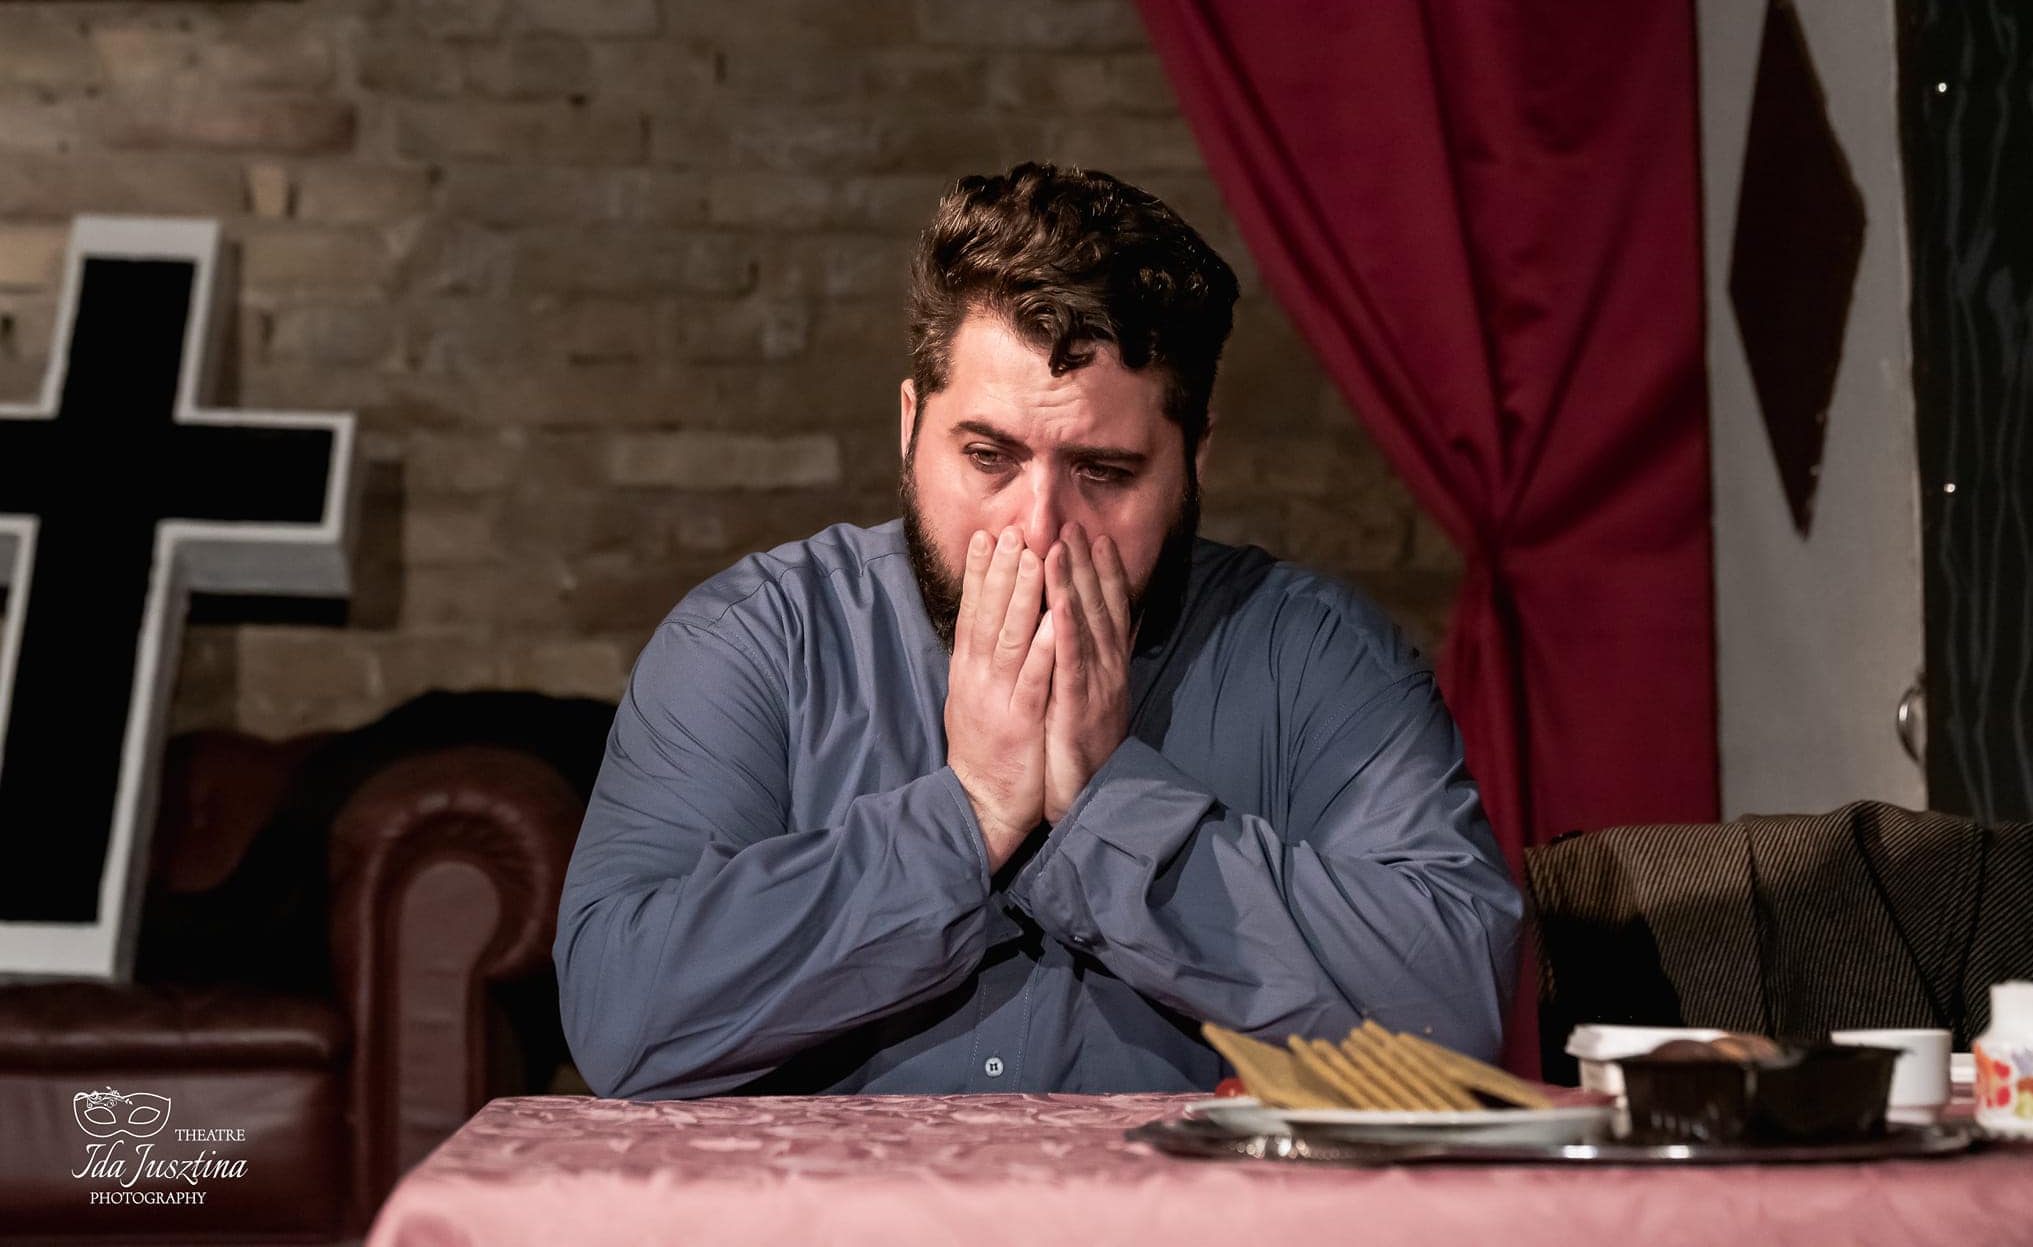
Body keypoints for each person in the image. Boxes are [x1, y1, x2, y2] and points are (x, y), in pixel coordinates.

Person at [554, 162, 1522, 1100]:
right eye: (989, 456)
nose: (1038, 527)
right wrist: (968, 815)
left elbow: (1454, 1015)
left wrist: (1112, 810)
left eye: (1103, 471)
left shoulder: (1316, 658)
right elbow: (619, 1016)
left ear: (1194, 458)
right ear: (909, 426)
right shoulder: (758, 642)